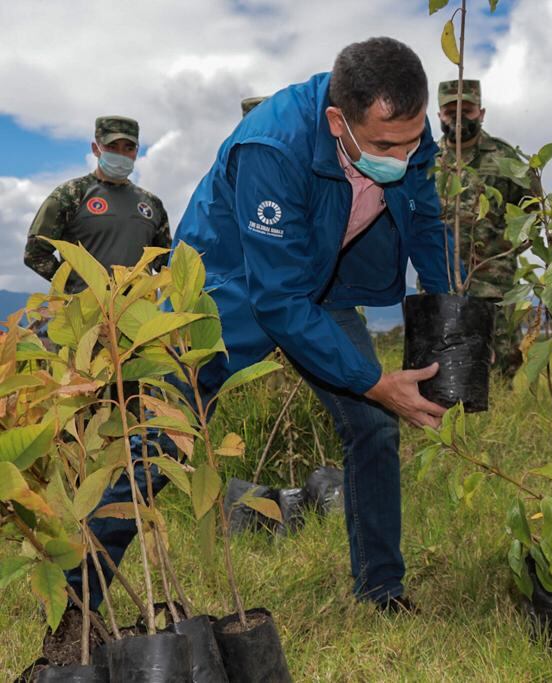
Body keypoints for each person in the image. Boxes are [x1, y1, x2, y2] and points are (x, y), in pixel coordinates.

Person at [73, 37, 454, 614]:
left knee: (374, 428)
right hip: (224, 293)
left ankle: (381, 591)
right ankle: (77, 607)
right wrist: (375, 380)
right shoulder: (272, 146)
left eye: (411, 141)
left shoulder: (404, 130)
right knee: (157, 446)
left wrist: (453, 308)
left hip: (320, 284)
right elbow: (276, 300)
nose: (401, 158)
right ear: (336, 120)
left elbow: (424, 219)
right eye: (384, 147)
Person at [435, 79, 541, 373]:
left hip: (494, 280)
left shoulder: (505, 159)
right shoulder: (429, 162)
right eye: (449, 111)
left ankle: (504, 415)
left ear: (481, 113)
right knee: (443, 361)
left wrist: (505, 249)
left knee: (502, 358)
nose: (458, 118)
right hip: (439, 277)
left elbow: (533, 210)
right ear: (439, 116)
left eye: (466, 110)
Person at [23, 116, 171, 293]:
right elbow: (35, 254)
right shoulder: (71, 194)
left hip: (140, 315)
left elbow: (165, 263)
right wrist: (72, 287)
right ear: (96, 148)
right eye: (112, 147)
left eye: (128, 148)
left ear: (136, 151)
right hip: (87, 314)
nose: (121, 154)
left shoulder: (151, 204)